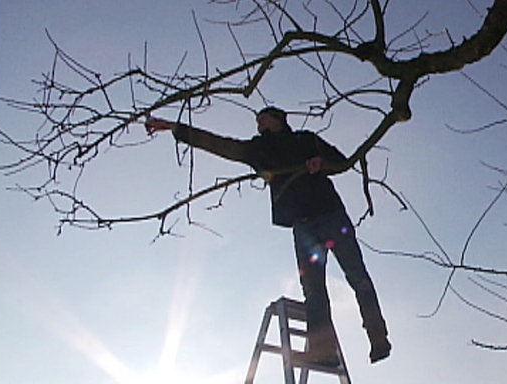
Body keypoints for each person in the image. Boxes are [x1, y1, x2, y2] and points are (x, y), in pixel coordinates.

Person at [145, 107, 390, 367]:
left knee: (357, 276)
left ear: (279, 119)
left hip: (331, 216)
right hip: (303, 226)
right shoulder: (258, 150)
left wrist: (321, 163)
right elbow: (220, 144)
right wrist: (176, 128)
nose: (258, 124)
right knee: (314, 290)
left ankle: (378, 337)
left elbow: (342, 162)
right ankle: (324, 352)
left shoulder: (305, 140)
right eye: (257, 121)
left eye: (263, 119)